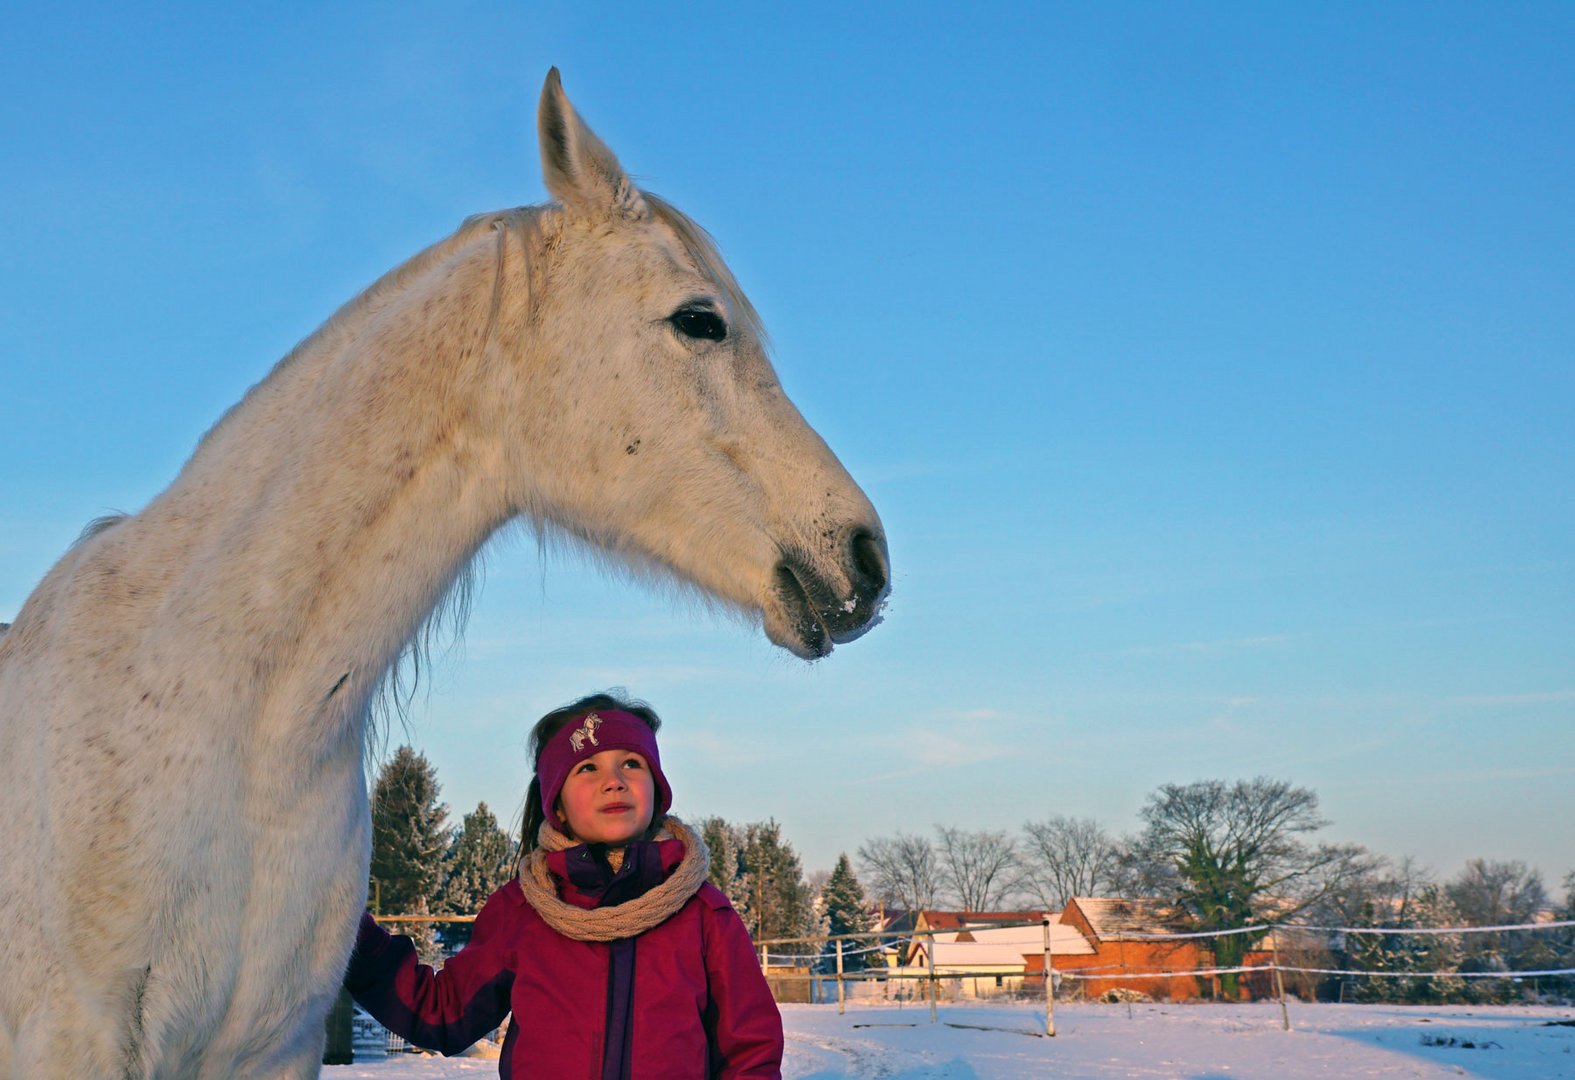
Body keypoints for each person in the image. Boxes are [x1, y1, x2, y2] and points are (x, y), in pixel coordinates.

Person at [344, 692, 784, 1079]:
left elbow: (750, 1053)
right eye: (587, 768)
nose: (614, 780)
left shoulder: (703, 914)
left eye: (632, 763)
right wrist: (344, 930)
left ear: (657, 788)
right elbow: (441, 1013)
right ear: (556, 803)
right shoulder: (522, 912)